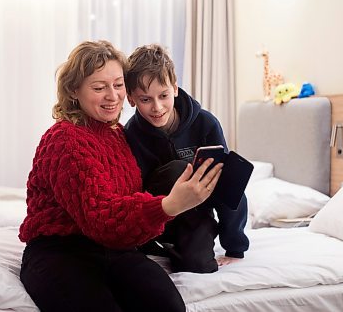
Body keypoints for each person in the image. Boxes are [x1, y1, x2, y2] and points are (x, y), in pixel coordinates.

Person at [18, 40, 222, 312]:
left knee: (169, 305)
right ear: (74, 91)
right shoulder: (65, 138)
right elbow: (99, 218)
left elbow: (128, 200)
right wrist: (169, 205)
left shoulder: (117, 135)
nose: (112, 96)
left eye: (118, 85)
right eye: (99, 87)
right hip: (61, 251)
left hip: (115, 249)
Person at [124, 43, 249, 274]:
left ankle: (184, 245)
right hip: (162, 211)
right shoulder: (131, 134)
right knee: (179, 170)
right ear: (131, 99)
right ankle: (156, 243)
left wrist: (235, 247)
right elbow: (135, 191)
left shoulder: (206, 123)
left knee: (199, 265)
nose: (157, 107)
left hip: (197, 210)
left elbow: (226, 188)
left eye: (163, 95)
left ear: (174, 88)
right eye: (145, 100)